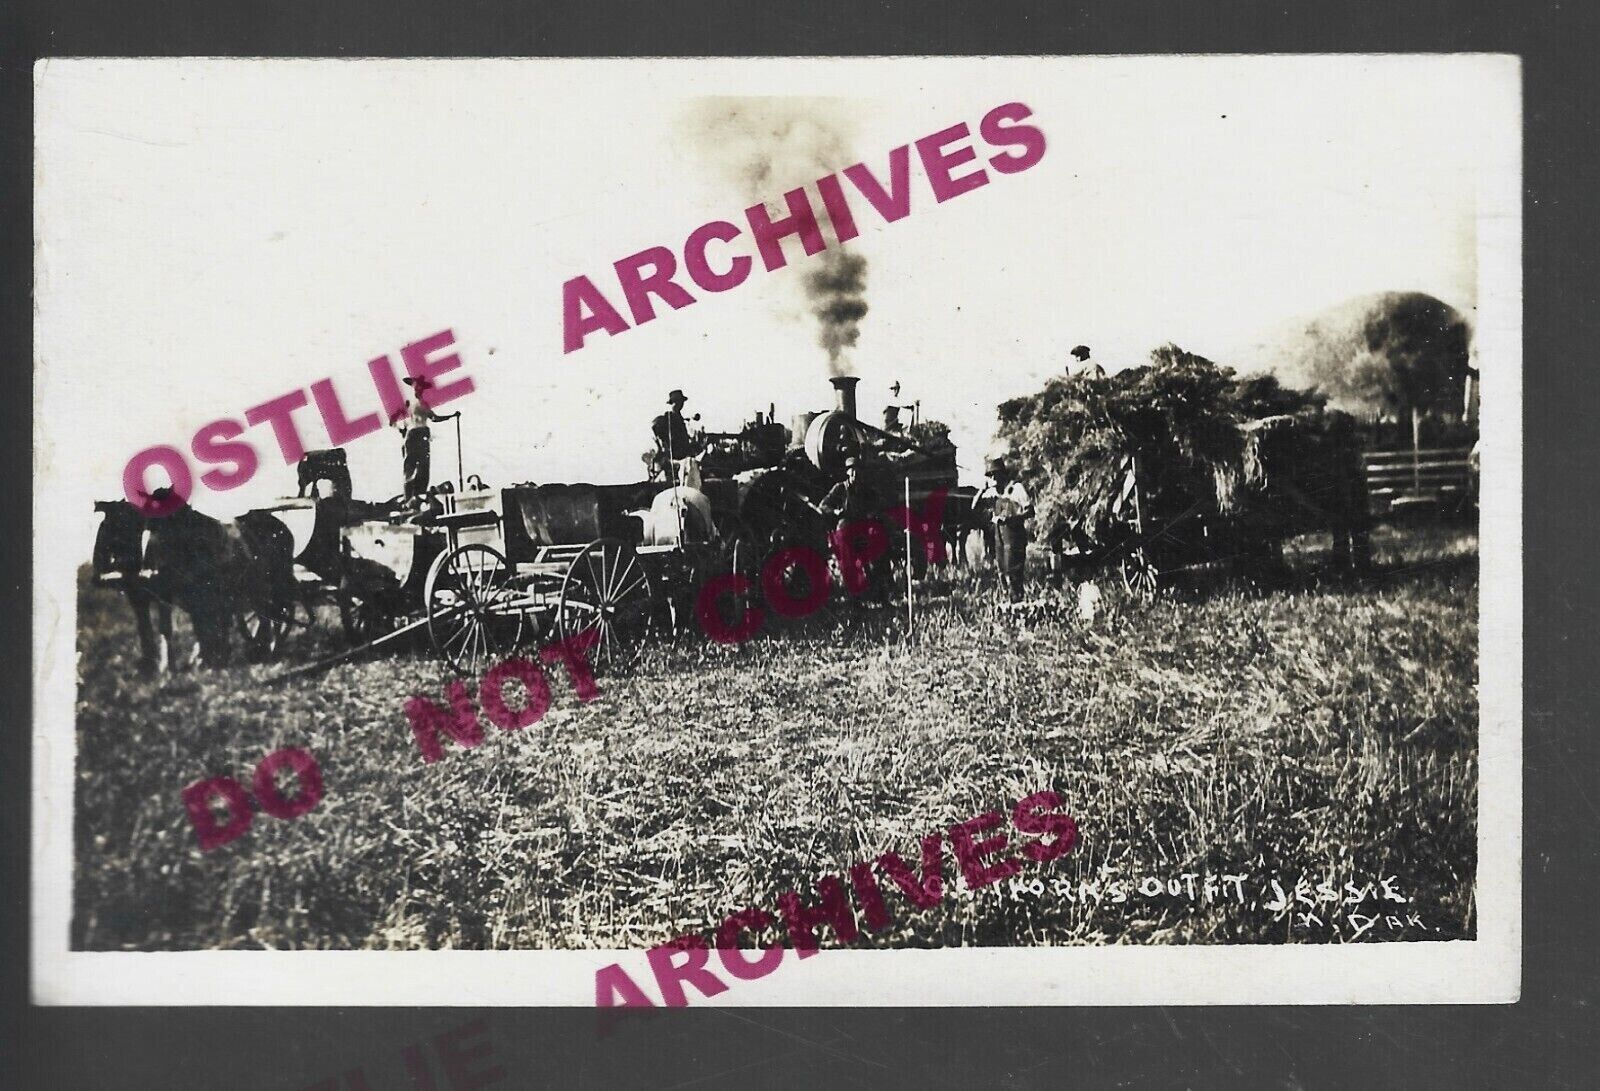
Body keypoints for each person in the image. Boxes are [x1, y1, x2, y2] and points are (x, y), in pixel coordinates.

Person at [821, 457, 888, 599]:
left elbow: (879, 504)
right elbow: (824, 505)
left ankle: (880, 592)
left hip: (863, 528)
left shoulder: (867, 490)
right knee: (848, 558)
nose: (855, 475)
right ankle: (855, 598)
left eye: (858, 472)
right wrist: (835, 512)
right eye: (852, 472)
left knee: (878, 544)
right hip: (846, 529)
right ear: (847, 473)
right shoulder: (840, 488)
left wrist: (872, 514)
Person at [391, 376, 459, 503]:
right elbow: (392, 420)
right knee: (410, 468)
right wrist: (401, 428)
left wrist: (451, 416)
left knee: (423, 468)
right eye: (417, 386)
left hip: (423, 434)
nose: (419, 389)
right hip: (412, 434)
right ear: (412, 387)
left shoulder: (424, 404)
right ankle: (408, 499)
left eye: (421, 387)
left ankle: (419, 497)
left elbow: (434, 418)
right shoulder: (407, 402)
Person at [981, 456, 1032, 603]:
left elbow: (1030, 511)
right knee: (1002, 571)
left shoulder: (1016, 488)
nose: (993, 479)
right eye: (990, 476)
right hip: (1000, 536)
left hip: (1015, 535)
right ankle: (1008, 604)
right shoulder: (994, 494)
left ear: (1003, 474)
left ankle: (1018, 603)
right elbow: (973, 506)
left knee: (1013, 572)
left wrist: (1013, 518)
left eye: (995, 474)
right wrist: (982, 490)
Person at [652, 389, 704, 489]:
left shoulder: (681, 419)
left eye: (681, 402)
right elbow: (654, 426)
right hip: (674, 456)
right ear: (672, 403)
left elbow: (684, 440)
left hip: (683, 454)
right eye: (677, 402)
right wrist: (664, 441)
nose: (680, 405)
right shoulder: (667, 418)